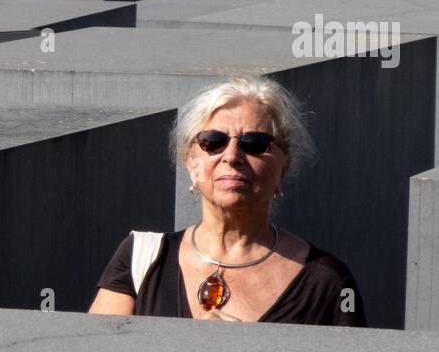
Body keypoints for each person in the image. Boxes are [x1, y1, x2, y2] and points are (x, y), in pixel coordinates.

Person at [88, 76, 366, 326]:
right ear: (191, 162)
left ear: (284, 165)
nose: (232, 156)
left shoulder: (327, 281)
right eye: (212, 141)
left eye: (254, 143)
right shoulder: (141, 258)